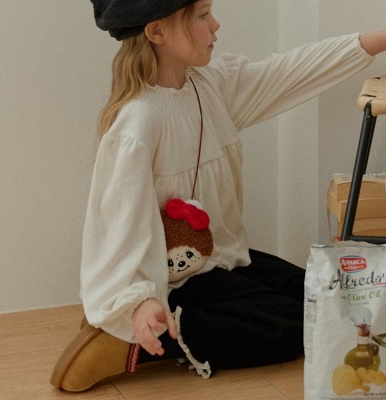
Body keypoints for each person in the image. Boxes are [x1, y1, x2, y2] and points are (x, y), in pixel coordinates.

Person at [50, 0, 386, 392]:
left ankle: (140, 323)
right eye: (202, 15)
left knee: (326, 296)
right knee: (289, 326)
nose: (216, 25)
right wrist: (137, 300)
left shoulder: (208, 85)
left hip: (219, 260)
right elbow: (117, 229)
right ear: (156, 32)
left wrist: (379, 39)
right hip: (172, 278)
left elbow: (289, 72)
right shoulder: (138, 123)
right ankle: (137, 336)